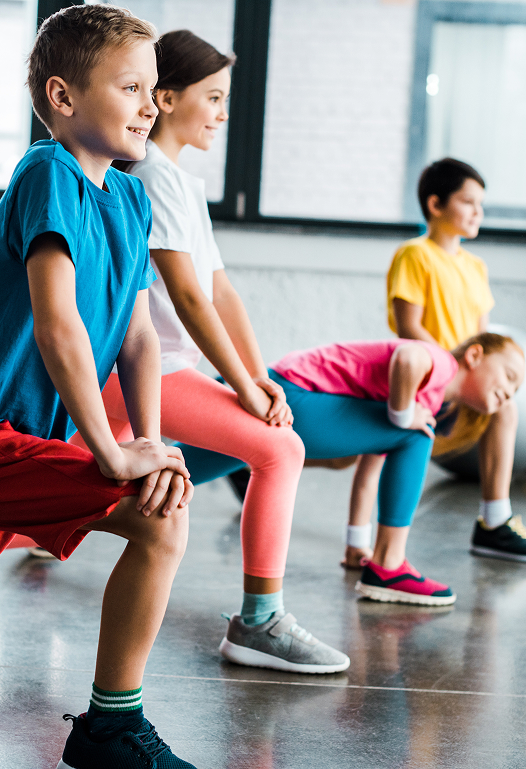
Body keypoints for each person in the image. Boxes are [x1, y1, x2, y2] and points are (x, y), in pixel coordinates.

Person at [80, 30, 349, 675]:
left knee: (93, 492)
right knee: (280, 448)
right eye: (215, 97)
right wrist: (245, 387)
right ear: (165, 99)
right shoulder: (148, 179)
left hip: (167, 372)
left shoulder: (182, 185)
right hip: (138, 374)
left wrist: (258, 378)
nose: (224, 113)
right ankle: (260, 623)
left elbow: (221, 292)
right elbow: (188, 301)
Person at [0, 6, 200, 768]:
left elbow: (138, 335)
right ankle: (111, 731)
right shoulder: (46, 174)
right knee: (156, 519)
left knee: (160, 503)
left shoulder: (129, 197)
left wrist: (147, 441)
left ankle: (112, 726)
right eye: (131, 87)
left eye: (155, 89)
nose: (152, 105)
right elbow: (59, 326)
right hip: (4, 436)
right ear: (63, 96)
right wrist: (114, 452)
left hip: (27, 443)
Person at [341, 158, 526, 568]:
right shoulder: (414, 255)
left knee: (506, 409)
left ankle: (494, 521)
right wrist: (448, 371)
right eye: (468, 202)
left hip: (464, 384)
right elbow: (409, 326)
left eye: (481, 204)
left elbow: (486, 340)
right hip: (424, 380)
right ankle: (357, 542)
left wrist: (475, 378)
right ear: (435, 204)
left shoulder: (476, 267)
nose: (477, 212)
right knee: (362, 453)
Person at [268, 332, 525, 604]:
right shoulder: (442, 363)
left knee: (409, 430)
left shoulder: (425, 396)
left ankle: (379, 561)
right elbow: (407, 357)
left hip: (290, 392)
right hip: (292, 394)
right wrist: (402, 416)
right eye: (509, 376)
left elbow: (368, 469)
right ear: (474, 356)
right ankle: (389, 566)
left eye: (516, 390)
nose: (509, 393)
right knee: (417, 433)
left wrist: (356, 544)